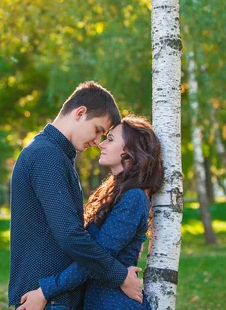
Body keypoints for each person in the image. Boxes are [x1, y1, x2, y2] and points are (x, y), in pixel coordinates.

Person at [8, 82, 144, 310]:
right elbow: (70, 235)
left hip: (53, 297)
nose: (97, 141)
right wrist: (119, 274)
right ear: (80, 113)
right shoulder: (46, 155)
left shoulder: (58, 155)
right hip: (44, 299)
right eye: (99, 130)